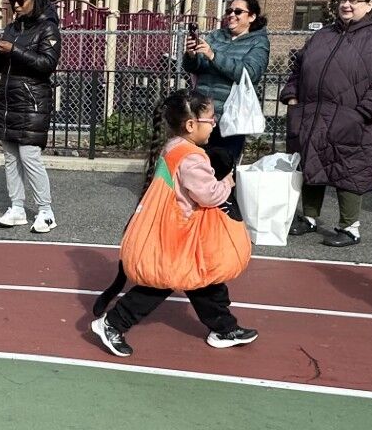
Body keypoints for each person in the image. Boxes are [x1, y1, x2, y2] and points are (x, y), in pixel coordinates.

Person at [90, 88, 257, 357]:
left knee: (202, 277)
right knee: (163, 283)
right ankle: (112, 323)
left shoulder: (174, 148)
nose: (214, 124)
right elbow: (209, 195)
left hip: (178, 231)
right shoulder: (191, 157)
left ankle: (224, 327)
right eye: (211, 119)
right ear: (191, 125)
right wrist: (227, 182)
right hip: (179, 232)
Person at [280, 0, 372, 245]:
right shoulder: (323, 34)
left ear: (370, 5)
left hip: (354, 118)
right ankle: (310, 217)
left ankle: (350, 227)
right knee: (312, 163)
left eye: (354, 0)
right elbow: (298, 68)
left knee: (349, 169)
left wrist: (363, 113)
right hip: (313, 113)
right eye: (343, 0)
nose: (346, 5)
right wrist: (292, 95)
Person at [0, 0, 61, 233]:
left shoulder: (48, 28)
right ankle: (17, 207)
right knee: (9, 156)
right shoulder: (12, 28)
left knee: (30, 156)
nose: (15, 6)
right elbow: (3, 65)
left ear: (34, 0)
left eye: (20, 1)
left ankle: (46, 211)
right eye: (12, 1)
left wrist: (14, 50)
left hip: (32, 99)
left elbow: (46, 65)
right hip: (7, 98)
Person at [182, 0, 272, 178]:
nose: (232, 14)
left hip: (231, 118)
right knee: (197, 167)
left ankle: (222, 204)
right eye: (229, 11)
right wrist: (191, 56)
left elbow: (250, 73)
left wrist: (213, 55)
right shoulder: (216, 36)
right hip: (203, 113)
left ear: (252, 16)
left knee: (223, 170)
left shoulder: (258, 42)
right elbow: (197, 67)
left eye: (238, 11)